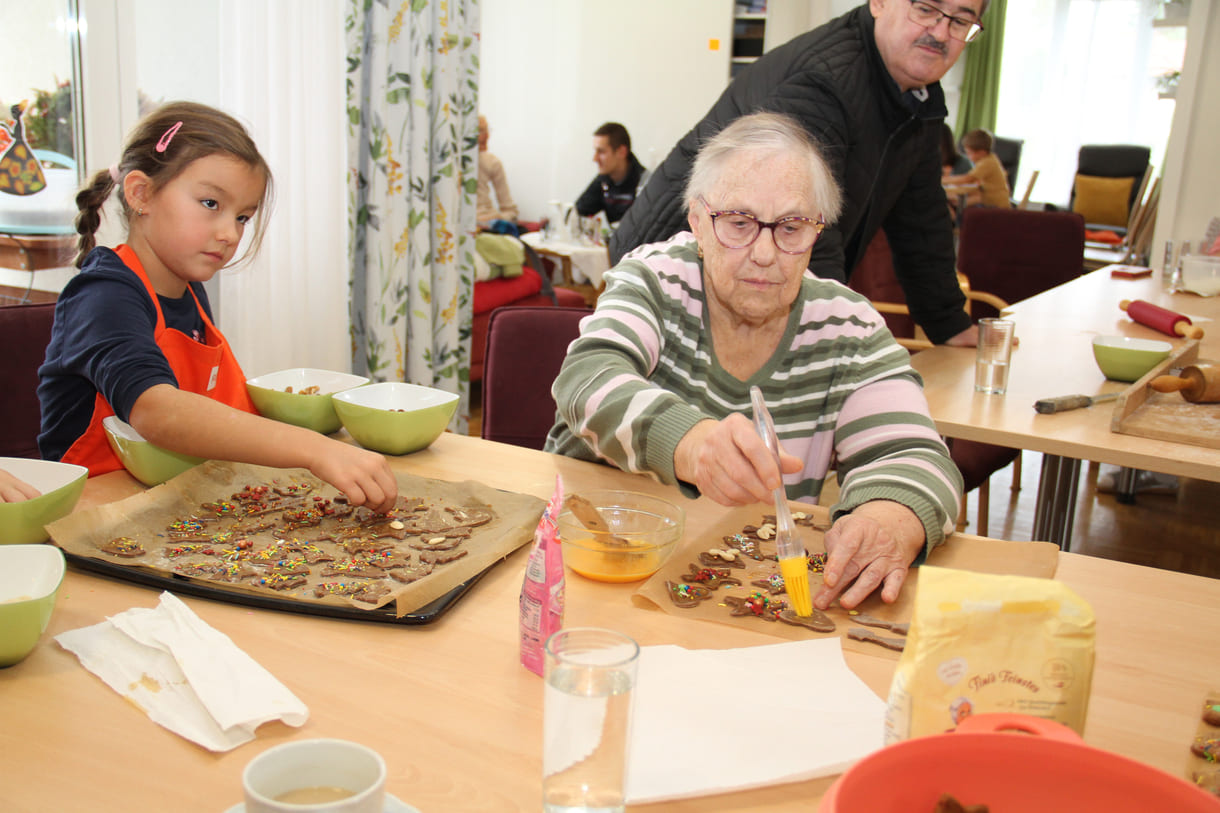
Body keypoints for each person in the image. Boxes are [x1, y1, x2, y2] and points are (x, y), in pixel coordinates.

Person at [545, 113, 962, 610]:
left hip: (734, 593)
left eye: (791, 227)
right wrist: (691, 443)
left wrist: (888, 518)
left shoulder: (849, 325)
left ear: (817, 234)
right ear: (697, 222)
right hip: (590, 570)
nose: (765, 253)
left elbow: (918, 455)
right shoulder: (654, 279)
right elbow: (587, 379)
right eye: (738, 223)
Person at [38, 101, 397, 511]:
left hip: (179, 503)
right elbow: (159, 413)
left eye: (243, 216)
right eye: (211, 204)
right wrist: (311, 449)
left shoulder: (189, 289)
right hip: (96, 512)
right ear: (141, 194)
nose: (229, 233)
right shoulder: (102, 293)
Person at [609, 0, 990, 347]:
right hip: (672, 285)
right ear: (879, 3)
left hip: (739, 289)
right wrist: (834, 342)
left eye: (961, 20)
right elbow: (796, 231)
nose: (940, 32)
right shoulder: (825, 82)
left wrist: (950, 326)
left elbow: (921, 222)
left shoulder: (916, 101)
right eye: (926, 9)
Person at [574, 122, 647, 224]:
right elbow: (576, 214)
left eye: (601, 152)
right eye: (595, 151)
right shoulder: (604, 180)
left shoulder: (645, 183)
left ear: (622, 152)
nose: (595, 159)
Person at [943, 128, 1011, 208]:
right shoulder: (989, 159)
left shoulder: (987, 163)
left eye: (969, 153)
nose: (967, 156)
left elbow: (967, 179)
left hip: (996, 206)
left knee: (957, 204)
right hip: (987, 199)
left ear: (981, 152)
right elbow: (974, 184)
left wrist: (943, 180)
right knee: (955, 198)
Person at [476, 115, 519, 229]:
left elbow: (510, 210)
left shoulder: (492, 162)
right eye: (480, 131)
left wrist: (496, 219)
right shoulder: (449, 164)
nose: (486, 136)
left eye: (487, 130)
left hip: (490, 225)